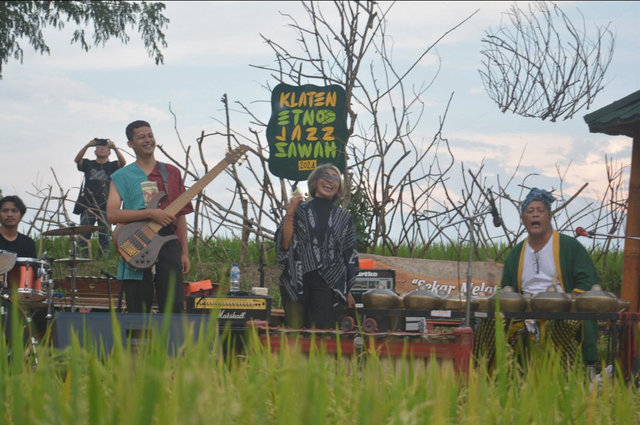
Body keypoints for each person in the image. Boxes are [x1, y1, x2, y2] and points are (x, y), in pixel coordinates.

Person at [498, 188, 598, 366]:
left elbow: (588, 282)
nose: (535, 215)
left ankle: (566, 382)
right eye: (530, 211)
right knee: (490, 327)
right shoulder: (516, 254)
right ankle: (500, 381)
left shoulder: (570, 246)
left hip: (564, 312)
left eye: (540, 211)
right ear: (523, 220)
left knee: (554, 328)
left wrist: (568, 301)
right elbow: (507, 289)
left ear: (549, 217)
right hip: (525, 313)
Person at [106, 120, 192, 314]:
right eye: (141, 137)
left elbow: (181, 216)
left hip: (169, 243)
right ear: (130, 144)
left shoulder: (171, 172)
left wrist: (184, 252)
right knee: (137, 308)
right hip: (135, 242)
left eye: (150, 135)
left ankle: (171, 345)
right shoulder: (121, 176)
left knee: (173, 307)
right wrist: (149, 213)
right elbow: (112, 214)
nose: (148, 140)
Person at [276, 164, 359, 329]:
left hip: (329, 283)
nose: (330, 181)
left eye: (335, 178)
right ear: (315, 182)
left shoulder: (343, 217)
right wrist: (290, 212)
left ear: (338, 188)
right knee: (295, 330)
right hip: (298, 278)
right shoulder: (300, 210)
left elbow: (348, 254)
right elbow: (285, 245)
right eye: (325, 176)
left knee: (322, 332)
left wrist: (348, 290)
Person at [73, 137, 126, 257]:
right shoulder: (88, 164)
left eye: (105, 148)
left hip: (106, 206)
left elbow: (123, 163)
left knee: (104, 236)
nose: (102, 149)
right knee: (84, 235)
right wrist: (88, 145)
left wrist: (115, 148)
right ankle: (83, 258)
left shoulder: (112, 166)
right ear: (95, 151)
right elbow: (77, 160)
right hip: (88, 205)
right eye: (98, 148)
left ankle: (103, 260)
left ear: (109, 152)